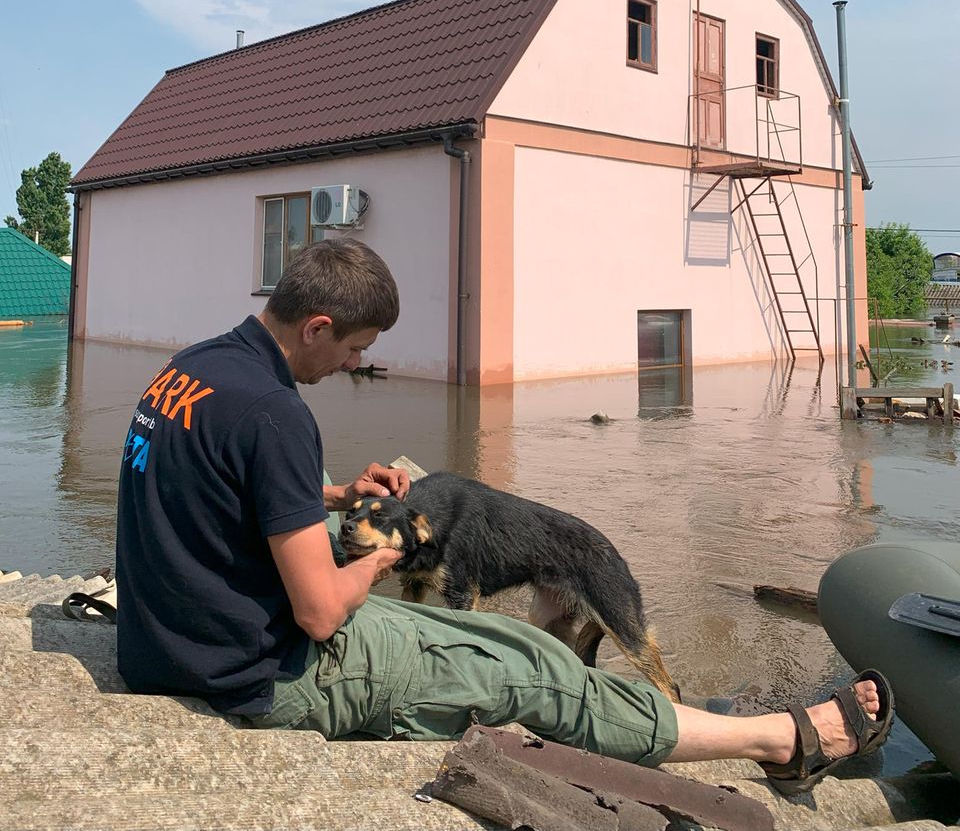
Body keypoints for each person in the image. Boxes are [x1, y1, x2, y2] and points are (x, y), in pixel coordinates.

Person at [116, 239, 893, 793]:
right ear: (317, 326)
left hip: (161, 644)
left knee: (510, 632)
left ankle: (670, 715)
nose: (353, 365)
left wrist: (333, 498)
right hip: (258, 675)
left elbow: (216, 480)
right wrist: (385, 557)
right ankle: (779, 741)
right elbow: (320, 614)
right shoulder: (278, 414)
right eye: (354, 349)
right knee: (532, 675)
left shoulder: (194, 365)